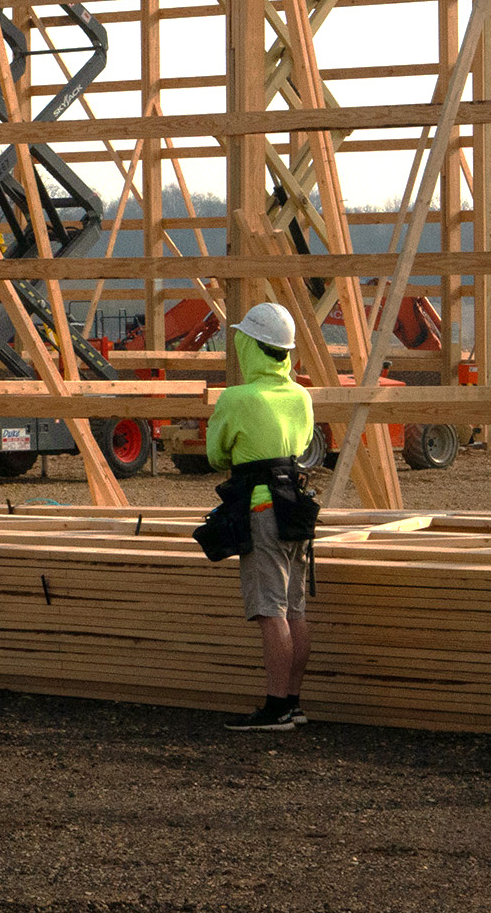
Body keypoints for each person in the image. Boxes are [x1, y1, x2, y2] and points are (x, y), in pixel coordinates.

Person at [203, 301, 318, 731]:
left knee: (270, 611)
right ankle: (293, 702)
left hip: (261, 510)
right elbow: (303, 445)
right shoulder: (301, 396)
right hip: (295, 509)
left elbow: (216, 455)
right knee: (294, 609)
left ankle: (275, 709)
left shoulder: (238, 398)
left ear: (250, 345)